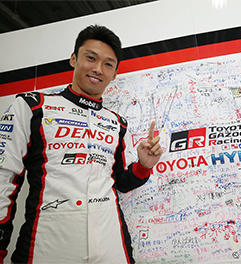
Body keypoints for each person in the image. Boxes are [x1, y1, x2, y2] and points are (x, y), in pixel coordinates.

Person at [0, 25, 162, 264]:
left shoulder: (116, 122)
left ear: (115, 73)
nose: (98, 69)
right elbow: (4, 180)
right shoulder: (32, 106)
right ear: (73, 59)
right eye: (91, 58)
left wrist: (143, 167)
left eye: (108, 64)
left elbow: (120, 183)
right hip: (47, 246)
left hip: (112, 246)